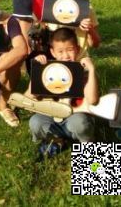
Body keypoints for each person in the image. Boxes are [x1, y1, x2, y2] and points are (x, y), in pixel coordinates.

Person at [28, 27, 99, 159]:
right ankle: (56, 140)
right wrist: (37, 71)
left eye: (70, 50)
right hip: (52, 119)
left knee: (80, 123)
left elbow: (93, 100)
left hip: (75, 118)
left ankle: (86, 143)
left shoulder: (83, 70)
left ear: (78, 49)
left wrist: (92, 70)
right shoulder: (48, 70)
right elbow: (29, 97)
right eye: (60, 51)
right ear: (52, 52)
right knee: (35, 122)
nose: (65, 56)